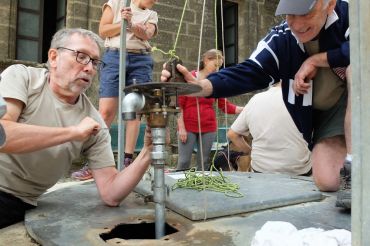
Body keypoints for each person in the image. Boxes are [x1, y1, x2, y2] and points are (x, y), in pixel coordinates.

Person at [162, 0, 351, 208]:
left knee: (358, 65)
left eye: (305, 14)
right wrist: (197, 87)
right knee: (328, 180)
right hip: (319, 117)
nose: (296, 24)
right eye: (290, 14)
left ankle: (356, 165)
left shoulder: (353, 15)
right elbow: (250, 71)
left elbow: (362, 45)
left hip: (353, 102)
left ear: (330, 4)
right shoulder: (282, 37)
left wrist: (317, 60)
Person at [0, 28, 153, 229]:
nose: (89, 68)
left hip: (16, 203)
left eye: (95, 62)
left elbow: (111, 193)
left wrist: (148, 152)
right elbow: (2, 135)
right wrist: (72, 132)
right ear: (53, 57)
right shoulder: (23, 78)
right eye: (81, 56)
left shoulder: (93, 122)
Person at [71, 0, 158, 180]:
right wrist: (123, 23)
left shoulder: (152, 14)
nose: (155, 1)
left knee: (134, 111)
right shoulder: (117, 3)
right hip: (114, 56)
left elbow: (148, 34)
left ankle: (127, 160)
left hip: (141, 60)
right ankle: (95, 163)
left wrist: (132, 24)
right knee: (106, 112)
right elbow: (103, 31)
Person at [176, 49, 243, 171]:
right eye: (216, 65)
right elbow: (179, 105)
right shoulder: (190, 77)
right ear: (207, 60)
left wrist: (246, 109)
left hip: (208, 127)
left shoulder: (216, 82)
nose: (217, 69)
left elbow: (226, 106)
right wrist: (181, 127)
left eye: (220, 66)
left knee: (204, 163)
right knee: (183, 162)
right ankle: (180, 189)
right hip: (188, 127)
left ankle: (201, 189)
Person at [227, 82, 312, 176]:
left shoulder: (256, 99)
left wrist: (250, 151)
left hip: (261, 169)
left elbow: (232, 134)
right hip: (299, 171)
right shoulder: (306, 99)